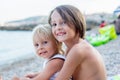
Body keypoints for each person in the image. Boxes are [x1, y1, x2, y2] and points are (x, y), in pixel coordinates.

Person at [48, 5, 107, 80]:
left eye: (63, 22)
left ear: (76, 22)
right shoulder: (71, 48)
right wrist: (38, 75)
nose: (58, 28)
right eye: (54, 24)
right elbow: (60, 72)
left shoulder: (78, 50)